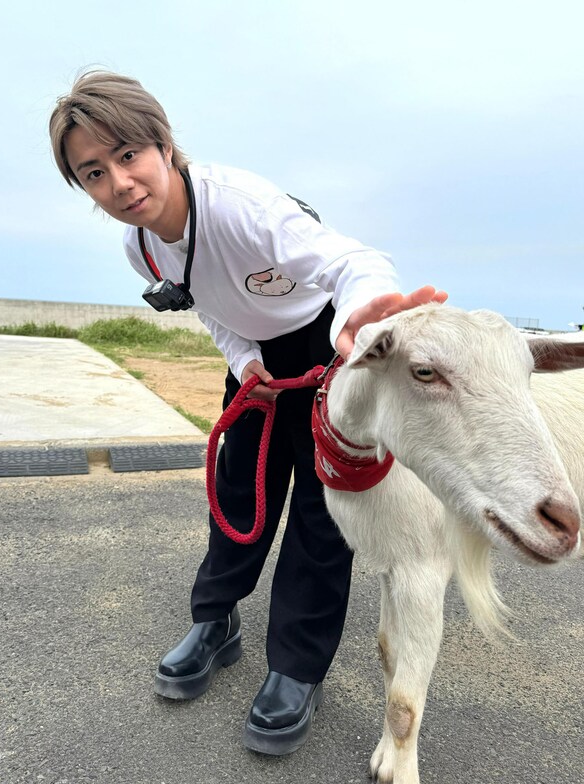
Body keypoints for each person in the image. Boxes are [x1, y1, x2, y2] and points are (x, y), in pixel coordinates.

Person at [49, 71, 447, 756]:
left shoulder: (241, 205)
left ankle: (296, 666)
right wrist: (244, 363)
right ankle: (215, 621)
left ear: (164, 144)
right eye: (93, 172)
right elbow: (208, 304)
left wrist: (359, 317)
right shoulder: (138, 244)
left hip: (326, 347)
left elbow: (352, 261)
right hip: (258, 364)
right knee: (240, 493)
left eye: (127, 154)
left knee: (323, 515)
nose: (119, 183)